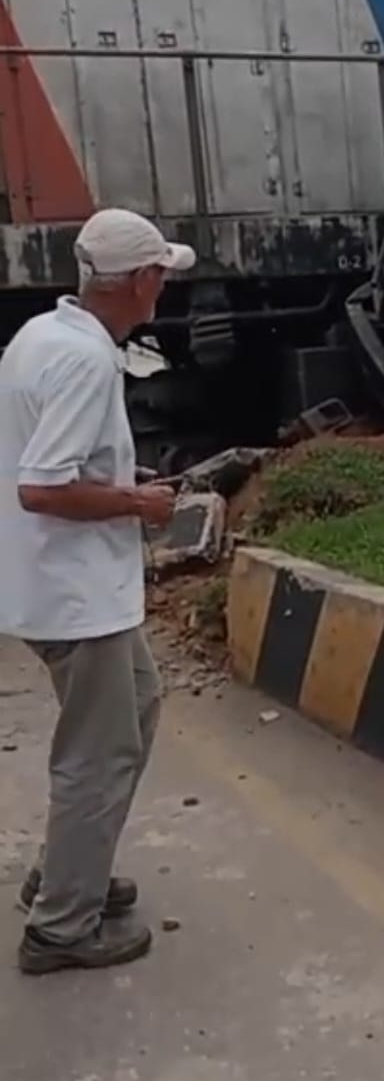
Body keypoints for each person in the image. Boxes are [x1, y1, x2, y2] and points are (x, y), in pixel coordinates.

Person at [0, 208, 195, 974]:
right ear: (141, 282)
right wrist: (139, 505)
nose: (165, 291)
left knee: (137, 707)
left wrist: (119, 482)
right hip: (77, 596)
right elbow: (43, 488)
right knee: (99, 752)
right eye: (162, 278)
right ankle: (60, 928)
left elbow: (47, 462)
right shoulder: (85, 361)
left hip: (56, 586)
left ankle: (67, 870)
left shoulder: (44, 337)